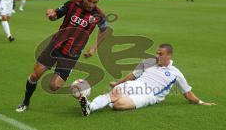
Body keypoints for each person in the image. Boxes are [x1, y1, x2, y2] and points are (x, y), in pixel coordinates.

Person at [16, 0, 109, 112]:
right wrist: (51, 14)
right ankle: (25, 103)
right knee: (35, 75)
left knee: (54, 86)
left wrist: (94, 48)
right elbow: (55, 15)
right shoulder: (72, 4)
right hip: (56, 45)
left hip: (71, 54)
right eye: (89, 1)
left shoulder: (99, 15)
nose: (91, 5)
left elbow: (105, 31)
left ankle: (79, 91)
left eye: (94, 2)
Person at [79, 44, 216, 116]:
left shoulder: (176, 73)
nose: (157, 55)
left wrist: (202, 102)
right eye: (157, 52)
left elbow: (188, 94)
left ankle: (105, 102)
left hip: (149, 95)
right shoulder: (149, 61)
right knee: (115, 91)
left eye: (160, 54)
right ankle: (89, 107)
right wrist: (118, 82)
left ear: (169, 55)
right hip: (137, 84)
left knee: (118, 105)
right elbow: (132, 75)